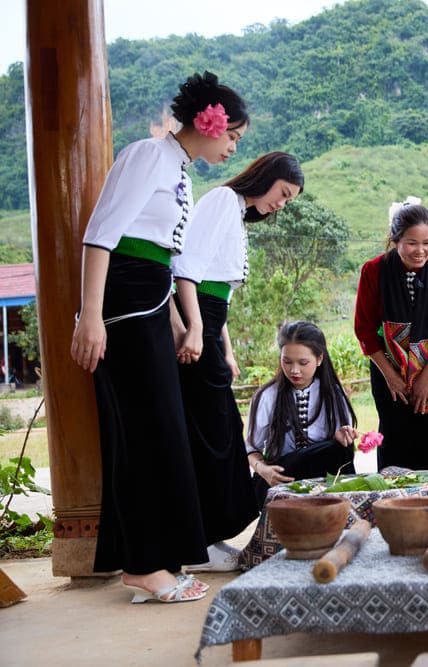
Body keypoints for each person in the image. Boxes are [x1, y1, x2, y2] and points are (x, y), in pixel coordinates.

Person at [70, 71, 248, 603]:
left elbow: (168, 260)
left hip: (149, 305)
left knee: (165, 432)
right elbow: (102, 234)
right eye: (233, 135)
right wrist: (91, 315)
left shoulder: (180, 171)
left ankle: (158, 558)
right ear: (208, 122)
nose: (234, 146)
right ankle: (144, 566)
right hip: (122, 305)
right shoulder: (147, 154)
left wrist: (175, 323)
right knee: (146, 435)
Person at [171, 152, 304, 571]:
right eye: (282, 194)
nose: (281, 205)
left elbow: (218, 294)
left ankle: (208, 536)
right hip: (198, 323)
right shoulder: (223, 201)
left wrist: (225, 348)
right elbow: (186, 271)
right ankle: (198, 543)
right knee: (214, 435)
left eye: (288, 201)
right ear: (265, 178)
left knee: (220, 432)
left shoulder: (236, 211)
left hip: (209, 323)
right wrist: (194, 329)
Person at [354, 200, 428, 471]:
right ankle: (393, 507)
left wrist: (426, 377)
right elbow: (364, 329)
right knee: (394, 438)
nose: (420, 250)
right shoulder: (373, 271)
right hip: (386, 366)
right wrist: (391, 376)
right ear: (395, 240)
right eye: (412, 242)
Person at [246, 321, 359, 508]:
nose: (294, 370)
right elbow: (251, 449)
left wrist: (338, 437)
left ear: (319, 359)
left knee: (339, 450)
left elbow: (339, 455)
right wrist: (264, 470)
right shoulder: (266, 396)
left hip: (324, 476)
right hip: (283, 475)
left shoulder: (333, 394)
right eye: (287, 361)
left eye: (303, 362)